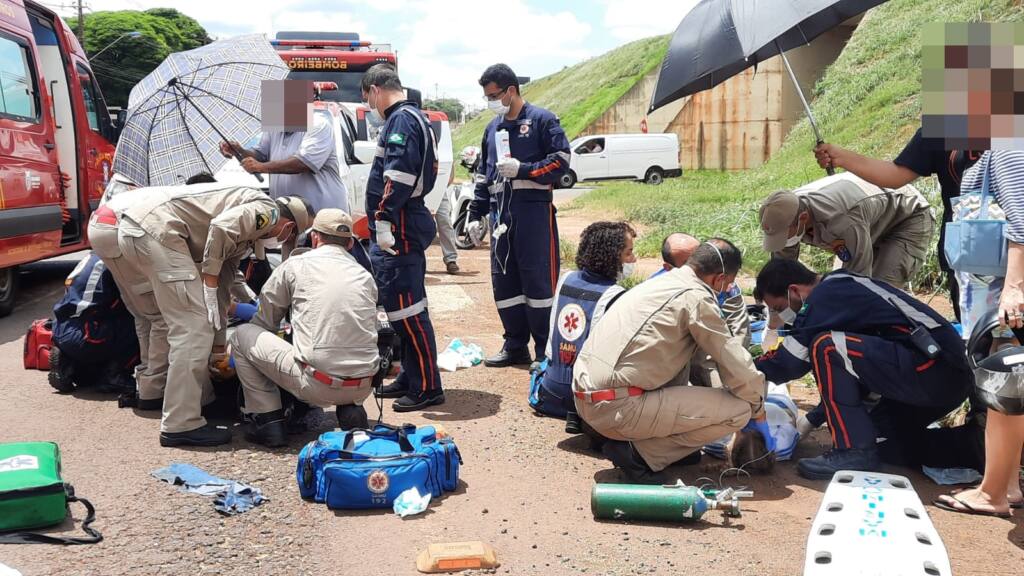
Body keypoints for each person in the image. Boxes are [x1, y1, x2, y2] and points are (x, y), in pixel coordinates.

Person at [116, 182, 313, 447]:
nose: (283, 242)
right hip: (157, 231)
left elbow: (224, 282)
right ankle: (180, 423)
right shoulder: (268, 211)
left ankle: (197, 402)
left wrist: (219, 346)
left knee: (193, 324)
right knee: (192, 329)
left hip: (142, 231)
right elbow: (221, 228)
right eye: (288, 237)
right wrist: (208, 283)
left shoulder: (247, 235)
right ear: (288, 227)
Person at [753, 258, 975, 480]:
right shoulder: (841, 288)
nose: (781, 316)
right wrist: (810, 420)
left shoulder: (826, 296)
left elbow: (788, 363)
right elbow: (854, 373)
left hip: (935, 369)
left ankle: (853, 451)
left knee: (826, 346)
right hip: (943, 376)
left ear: (794, 290)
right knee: (880, 440)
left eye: (779, 308)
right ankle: (973, 448)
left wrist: (745, 369)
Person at [573, 239, 769, 483]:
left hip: (584, 400)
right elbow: (735, 364)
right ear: (719, 278)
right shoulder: (696, 298)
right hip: (615, 409)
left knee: (683, 365)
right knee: (739, 411)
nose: (726, 289)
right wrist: (758, 411)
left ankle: (661, 446)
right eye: (728, 283)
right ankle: (639, 454)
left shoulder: (660, 283)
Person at [230, 209, 380, 447]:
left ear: (315, 238)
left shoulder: (295, 266)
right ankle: (349, 407)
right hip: (363, 384)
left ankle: (267, 421)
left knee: (242, 336)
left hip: (317, 383)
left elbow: (264, 322)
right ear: (350, 243)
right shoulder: (364, 275)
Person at [934, 151, 1024, 518]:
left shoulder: (1008, 150)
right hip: (997, 289)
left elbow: (1020, 221)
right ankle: (1008, 484)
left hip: (1000, 292)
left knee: (1005, 386)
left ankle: (992, 494)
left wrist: (1014, 286)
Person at [467, 63, 572, 368]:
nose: (490, 102)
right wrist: (476, 214)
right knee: (505, 282)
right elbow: (484, 176)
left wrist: (524, 170)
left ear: (511, 91)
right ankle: (515, 344)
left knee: (538, 282)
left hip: (533, 215)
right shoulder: (494, 128)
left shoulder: (542, 120)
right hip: (502, 217)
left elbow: (561, 161)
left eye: (494, 95)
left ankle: (543, 349)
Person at [814, 131, 981, 320]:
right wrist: (841, 157)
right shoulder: (946, 122)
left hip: (1014, 246)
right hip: (964, 254)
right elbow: (895, 175)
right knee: (981, 340)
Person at [359, 64, 445, 412]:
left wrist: (383, 218)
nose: (369, 106)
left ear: (376, 89)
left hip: (401, 225)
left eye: (367, 99)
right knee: (399, 310)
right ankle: (412, 376)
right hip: (403, 221)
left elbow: (399, 174)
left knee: (409, 309)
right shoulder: (411, 118)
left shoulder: (402, 120)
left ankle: (428, 386)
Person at [529, 221, 635, 432]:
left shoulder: (565, 278)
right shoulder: (615, 296)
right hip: (584, 397)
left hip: (550, 389)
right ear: (612, 256)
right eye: (628, 253)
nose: (633, 259)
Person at [759, 173, 933, 288]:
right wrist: (778, 317)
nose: (782, 242)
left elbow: (859, 281)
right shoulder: (784, 211)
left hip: (906, 218)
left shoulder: (841, 221)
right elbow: (782, 275)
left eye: (783, 236)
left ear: (803, 219)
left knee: (878, 292)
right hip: (867, 221)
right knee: (838, 284)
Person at [220, 82, 347, 213]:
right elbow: (260, 155)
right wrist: (238, 150)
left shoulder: (319, 124)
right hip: (289, 214)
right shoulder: (276, 126)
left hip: (322, 212)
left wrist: (261, 167)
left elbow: (303, 163)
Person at [49, 253, 139, 395]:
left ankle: (69, 363)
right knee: (145, 324)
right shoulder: (118, 261)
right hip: (89, 335)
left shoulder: (94, 254)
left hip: (61, 328)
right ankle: (115, 375)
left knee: (88, 377)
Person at [436, 172, 460, 274]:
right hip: (418, 186)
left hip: (438, 189)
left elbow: (450, 171)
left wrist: (442, 185)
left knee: (445, 221)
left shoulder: (444, 154)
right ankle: (415, 259)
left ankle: (451, 259)